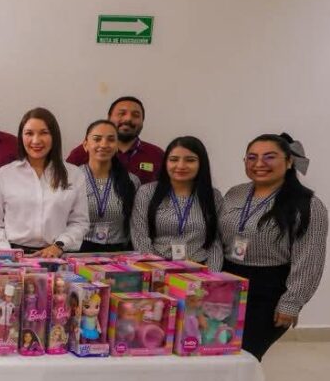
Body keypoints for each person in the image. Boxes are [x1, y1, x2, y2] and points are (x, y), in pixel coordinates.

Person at [220, 133, 328, 360]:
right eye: (252, 157)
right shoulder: (235, 193)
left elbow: (309, 260)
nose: (259, 164)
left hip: (268, 290)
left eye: (269, 157)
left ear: (289, 161)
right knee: (218, 351)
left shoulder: (308, 205)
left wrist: (291, 303)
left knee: (245, 355)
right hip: (226, 282)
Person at [0, 108, 89, 257]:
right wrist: (8, 253)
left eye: (44, 133)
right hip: (13, 258)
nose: (36, 140)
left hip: (56, 256)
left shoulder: (73, 175)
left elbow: (79, 222)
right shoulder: (4, 175)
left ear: (54, 136)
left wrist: (59, 246)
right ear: (21, 137)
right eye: (29, 133)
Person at [130, 137, 223, 269]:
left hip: (199, 270)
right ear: (165, 163)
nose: (180, 166)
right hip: (156, 269)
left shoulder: (213, 196)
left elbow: (215, 242)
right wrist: (158, 272)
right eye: (174, 160)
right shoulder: (147, 192)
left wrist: (210, 276)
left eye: (190, 160)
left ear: (201, 163)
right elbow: (140, 237)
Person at [66, 96, 164, 183]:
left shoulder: (157, 155)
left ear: (142, 121)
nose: (128, 119)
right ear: (109, 118)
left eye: (135, 115)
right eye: (121, 113)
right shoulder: (84, 152)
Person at [77, 120, 139, 252]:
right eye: (97, 139)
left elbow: (136, 225)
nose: (104, 144)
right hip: (77, 250)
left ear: (117, 146)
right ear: (85, 144)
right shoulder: (72, 178)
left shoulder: (131, 181)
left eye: (111, 140)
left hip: (118, 253)